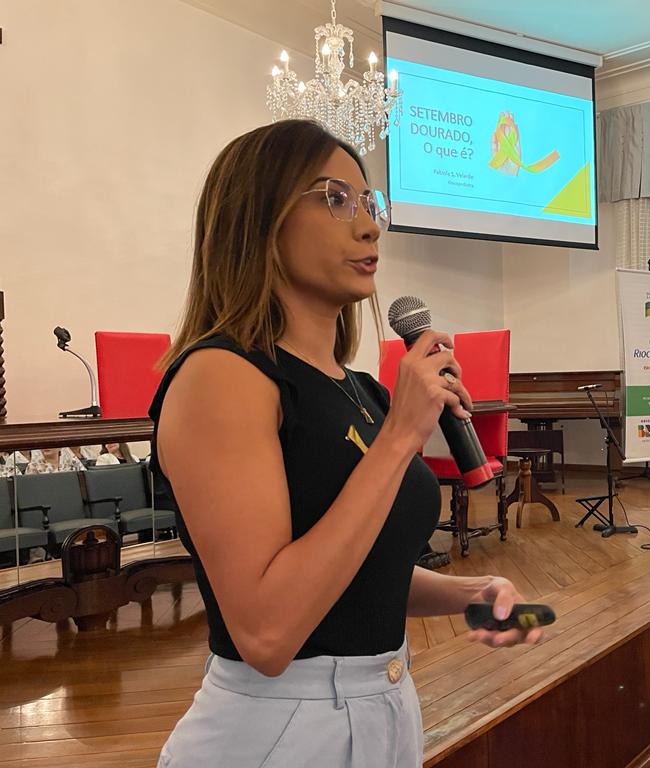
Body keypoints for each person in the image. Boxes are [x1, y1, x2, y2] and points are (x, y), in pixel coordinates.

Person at [151, 119, 540, 768]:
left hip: (386, 704)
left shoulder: (361, 390)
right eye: (335, 198)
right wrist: (401, 437)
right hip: (277, 730)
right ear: (260, 217)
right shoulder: (221, 376)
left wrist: (468, 594)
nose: (368, 227)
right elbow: (267, 632)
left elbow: (356, 569)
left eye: (369, 202)